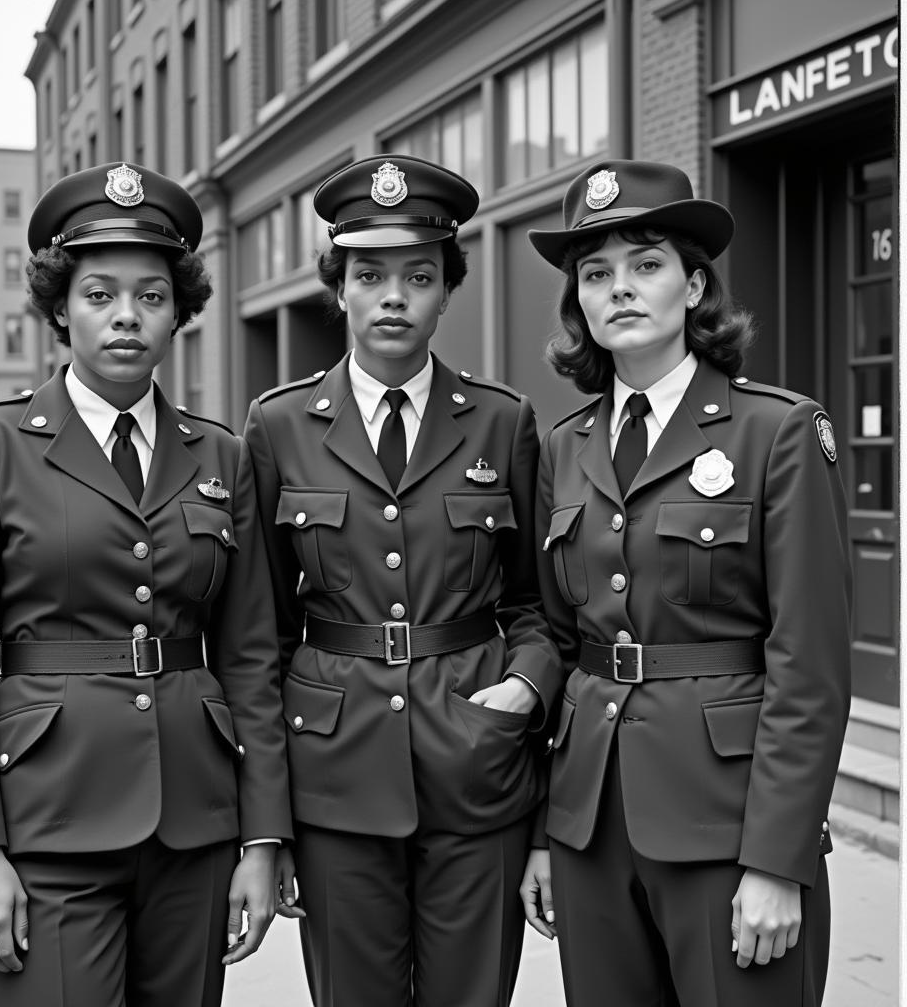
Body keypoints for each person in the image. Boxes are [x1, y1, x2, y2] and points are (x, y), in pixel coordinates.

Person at [0, 162, 292, 1007]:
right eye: (99, 294)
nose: (127, 315)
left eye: (152, 296)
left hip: (194, 824)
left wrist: (263, 838)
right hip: (48, 824)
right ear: (60, 307)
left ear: (179, 311)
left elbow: (251, 654)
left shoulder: (222, 456)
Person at [519, 159, 851, 1007]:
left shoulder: (776, 431)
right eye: (596, 274)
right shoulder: (560, 449)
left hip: (726, 826)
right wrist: (545, 838)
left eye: (646, 265)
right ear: (579, 304)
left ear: (695, 285)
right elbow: (562, 643)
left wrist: (777, 860)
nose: (619, 290)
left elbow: (809, 666)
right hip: (593, 828)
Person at [243, 154, 560, 1007]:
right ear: (337, 287)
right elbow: (259, 636)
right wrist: (268, 826)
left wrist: (527, 688)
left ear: (447, 291)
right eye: (370, 274)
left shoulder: (503, 420)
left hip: (477, 766)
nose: (393, 296)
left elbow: (537, 605)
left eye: (418, 276)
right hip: (335, 776)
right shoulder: (278, 427)